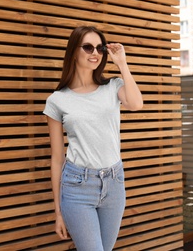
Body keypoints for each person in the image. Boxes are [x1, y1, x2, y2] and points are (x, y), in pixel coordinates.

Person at [43, 26, 143, 251]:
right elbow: (57, 159)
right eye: (88, 47)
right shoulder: (57, 100)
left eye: (99, 48)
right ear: (74, 51)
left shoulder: (113, 86)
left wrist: (122, 63)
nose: (95, 52)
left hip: (114, 183)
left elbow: (136, 104)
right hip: (77, 187)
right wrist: (58, 212)